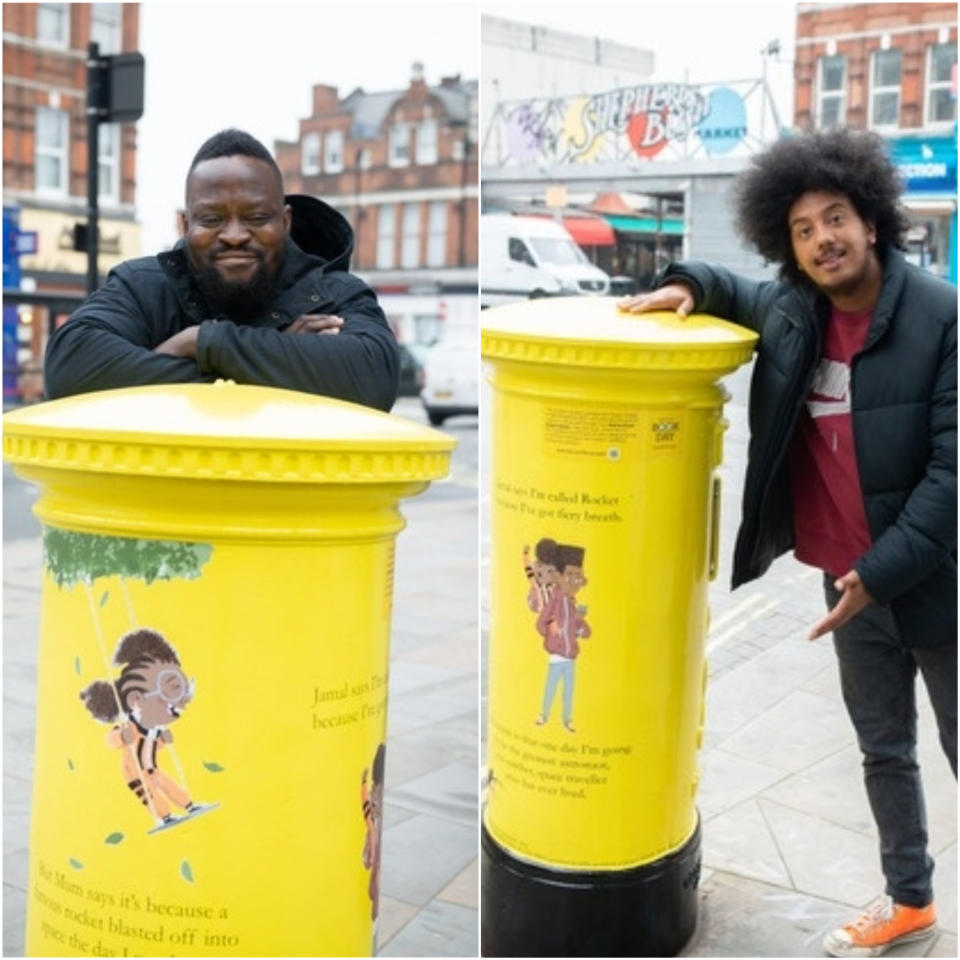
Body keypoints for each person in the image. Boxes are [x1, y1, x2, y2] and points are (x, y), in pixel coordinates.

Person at [620, 128, 956, 959]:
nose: (822, 240)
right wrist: (684, 282)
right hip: (846, 587)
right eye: (802, 229)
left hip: (933, 579)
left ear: (872, 220)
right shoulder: (792, 309)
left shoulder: (942, 316)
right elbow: (728, 285)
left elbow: (953, 478)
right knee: (884, 752)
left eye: (835, 218)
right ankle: (909, 901)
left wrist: (878, 574)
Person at [44, 129, 399, 411]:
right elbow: (70, 367)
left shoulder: (333, 294)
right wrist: (282, 359)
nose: (234, 236)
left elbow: (374, 379)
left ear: (285, 221)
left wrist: (199, 342)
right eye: (212, 219)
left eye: (257, 218)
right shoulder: (142, 287)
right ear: (185, 225)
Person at [536, 543, 590, 734]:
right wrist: (552, 632)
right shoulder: (555, 600)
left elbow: (581, 628)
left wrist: (581, 629)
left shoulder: (572, 605)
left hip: (570, 657)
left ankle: (567, 719)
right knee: (551, 687)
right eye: (571, 576)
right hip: (558, 656)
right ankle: (544, 714)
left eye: (579, 576)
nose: (577, 581)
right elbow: (541, 624)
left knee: (568, 690)